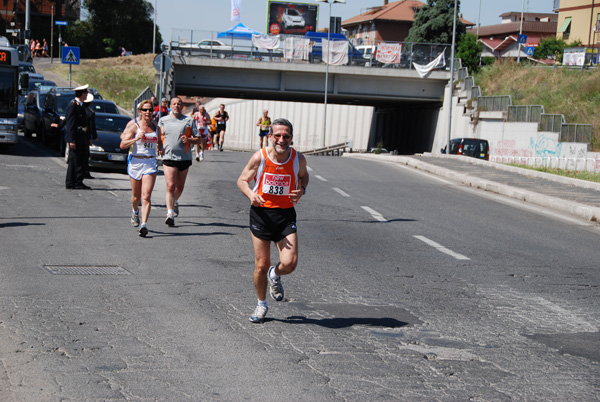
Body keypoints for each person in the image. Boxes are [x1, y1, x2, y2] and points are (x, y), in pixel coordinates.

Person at [237, 118, 309, 323]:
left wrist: (302, 190)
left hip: (285, 215)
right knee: (261, 265)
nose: (281, 139)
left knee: (290, 263)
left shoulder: (298, 159)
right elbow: (242, 180)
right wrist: (251, 194)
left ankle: (275, 274)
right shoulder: (259, 157)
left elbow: (304, 176)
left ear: (291, 138)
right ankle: (261, 304)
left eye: (286, 136)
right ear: (270, 136)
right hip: (261, 214)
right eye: (277, 135)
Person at [157, 96, 201, 226]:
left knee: (179, 187)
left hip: (184, 157)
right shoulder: (163, 121)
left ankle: (174, 201)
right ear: (170, 106)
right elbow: (159, 138)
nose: (176, 106)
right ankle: (169, 213)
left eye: (179, 104)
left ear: (182, 106)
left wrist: (189, 140)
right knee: (170, 185)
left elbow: (198, 139)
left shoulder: (188, 121)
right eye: (174, 104)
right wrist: (159, 147)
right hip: (168, 157)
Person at [120, 100, 160, 237]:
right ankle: (134, 211)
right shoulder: (134, 126)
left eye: (150, 110)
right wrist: (136, 138)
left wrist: (160, 147)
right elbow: (122, 144)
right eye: (145, 110)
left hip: (150, 163)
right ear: (140, 112)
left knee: (146, 196)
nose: (148, 112)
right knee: (136, 197)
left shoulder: (155, 125)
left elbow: (159, 141)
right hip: (136, 162)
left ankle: (144, 225)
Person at [65, 84, 91, 190]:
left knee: (81, 160)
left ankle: (78, 181)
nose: (87, 95)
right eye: (86, 93)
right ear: (82, 94)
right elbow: (70, 124)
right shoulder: (73, 106)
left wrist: (87, 138)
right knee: (74, 161)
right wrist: (71, 140)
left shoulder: (80, 106)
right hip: (76, 138)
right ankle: (70, 182)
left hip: (82, 137)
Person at [82, 93, 98, 179]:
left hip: (80, 135)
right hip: (86, 136)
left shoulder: (79, 110)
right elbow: (92, 126)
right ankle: (85, 172)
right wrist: (94, 136)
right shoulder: (90, 113)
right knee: (85, 155)